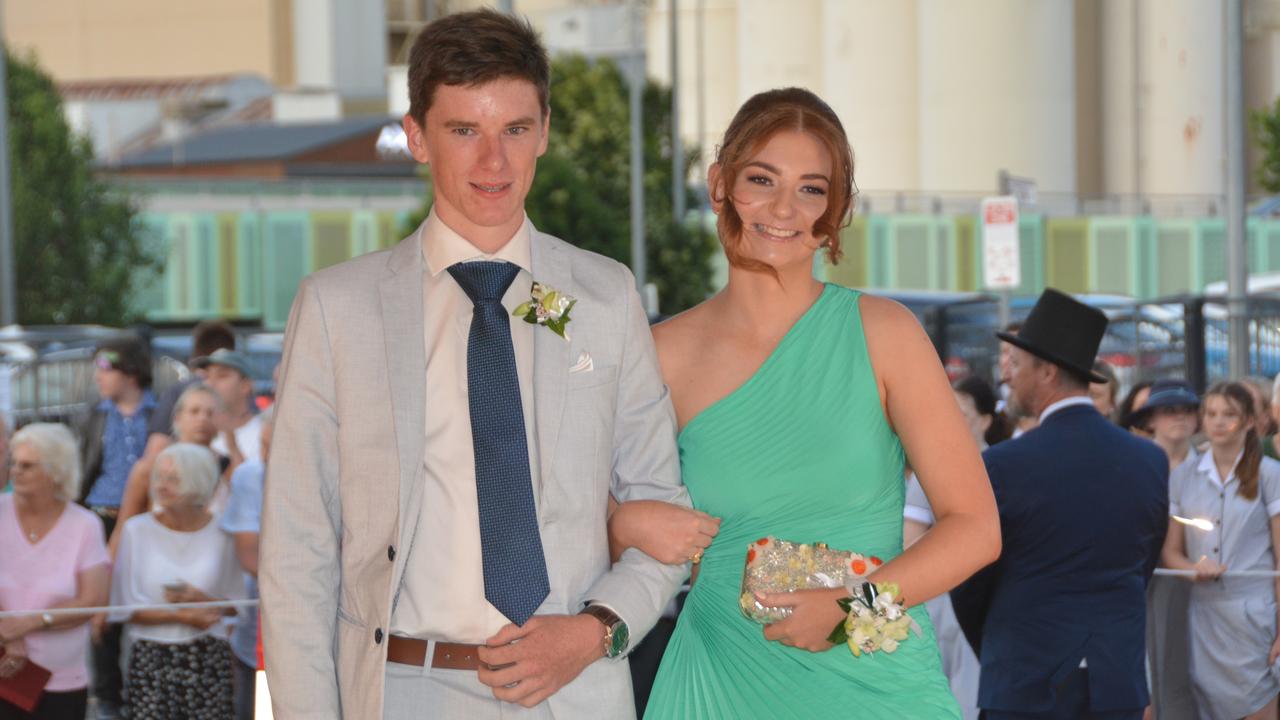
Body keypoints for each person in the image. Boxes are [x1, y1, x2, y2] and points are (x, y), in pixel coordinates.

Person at [259, 9, 690, 719]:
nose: (494, 161)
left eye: (515, 129)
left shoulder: (604, 296)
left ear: (544, 132)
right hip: (403, 688)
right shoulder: (338, 309)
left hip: (573, 690)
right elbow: (297, 556)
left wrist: (597, 631)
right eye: (465, 131)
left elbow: (662, 513)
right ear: (417, 138)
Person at [605, 87, 1000, 718]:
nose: (784, 208)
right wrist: (621, 521)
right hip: (720, 683)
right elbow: (584, 516)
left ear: (834, 210)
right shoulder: (659, 354)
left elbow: (976, 529)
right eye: (761, 179)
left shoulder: (885, 333)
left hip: (876, 681)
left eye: (812, 188)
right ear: (719, 184)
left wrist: (854, 608)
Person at [951, 288, 1169, 720]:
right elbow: (1142, 560)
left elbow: (970, 576)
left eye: (1018, 365)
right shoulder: (1149, 458)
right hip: (1114, 680)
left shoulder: (1003, 463)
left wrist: (998, 644)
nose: (1008, 377)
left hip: (1025, 677)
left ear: (1047, 372)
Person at [1160, 381, 1280, 720]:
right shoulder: (1183, 476)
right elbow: (1171, 552)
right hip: (1204, 617)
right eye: (1211, 413)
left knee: (1260, 708)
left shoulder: (1270, 474)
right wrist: (1192, 567)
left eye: (1229, 414)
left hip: (1256, 617)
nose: (1218, 421)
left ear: (1249, 422)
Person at [109, 443, 245, 720]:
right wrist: (184, 616)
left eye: (173, 479)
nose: (161, 485)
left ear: (199, 480)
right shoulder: (137, 530)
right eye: (159, 476)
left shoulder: (223, 532)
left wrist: (199, 599)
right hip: (151, 657)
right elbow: (123, 608)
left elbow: (236, 605)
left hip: (208, 656)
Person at [903, 375, 1003, 720]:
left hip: (988, 601)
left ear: (986, 420)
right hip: (940, 602)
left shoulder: (1003, 466)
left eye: (961, 412)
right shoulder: (928, 469)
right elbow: (910, 542)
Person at [0, 424, 110, 720]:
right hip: (2, 669)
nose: (15, 471)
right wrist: (10, 636)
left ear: (56, 470)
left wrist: (28, 624)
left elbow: (92, 601)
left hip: (61, 679)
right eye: (14, 463)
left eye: (27, 465)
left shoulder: (85, 525)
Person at [75, 338, 154, 720]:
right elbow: (85, 465)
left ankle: (140, 690)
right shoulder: (94, 415)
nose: (99, 378)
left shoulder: (157, 413)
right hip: (100, 516)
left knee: (139, 601)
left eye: (106, 370)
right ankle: (106, 697)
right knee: (100, 607)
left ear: (131, 372)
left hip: (144, 520)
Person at [1126, 378, 1200, 720]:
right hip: (1137, 575)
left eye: (1187, 411)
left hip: (1193, 581)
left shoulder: (1207, 465)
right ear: (1151, 418)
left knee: (1184, 661)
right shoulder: (1133, 459)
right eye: (1169, 411)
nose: (1179, 419)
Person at [112, 384, 227, 550]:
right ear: (177, 418)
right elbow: (122, 532)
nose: (202, 418)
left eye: (210, 413)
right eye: (194, 411)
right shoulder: (150, 468)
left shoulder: (229, 468)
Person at [220, 407, 272, 720]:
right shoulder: (250, 475)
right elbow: (248, 553)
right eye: (263, 445)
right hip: (256, 632)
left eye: (275, 446)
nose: (266, 455)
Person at [197, 349, 261, 468]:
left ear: (245, 386)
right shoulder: (199, 431)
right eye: (206, 376)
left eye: (222, 376)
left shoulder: (264, 434)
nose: (210, 383)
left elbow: (250, 484)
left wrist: (230, 441)